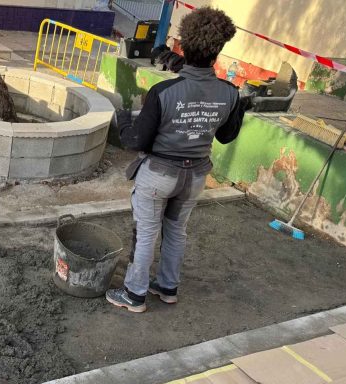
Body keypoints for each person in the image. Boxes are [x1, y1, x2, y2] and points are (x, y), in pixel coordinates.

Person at [107, 7, 250, 313]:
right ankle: (167, 287)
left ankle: (135, 294)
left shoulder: (163, 91)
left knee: (146, 233)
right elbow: (225, 136)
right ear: (219, 51)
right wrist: (238, 109)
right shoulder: (229, 93)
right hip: (195, 177)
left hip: (159, 175)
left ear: (182, 46)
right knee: (176, 230)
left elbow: (136, 141)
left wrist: (122, 119)